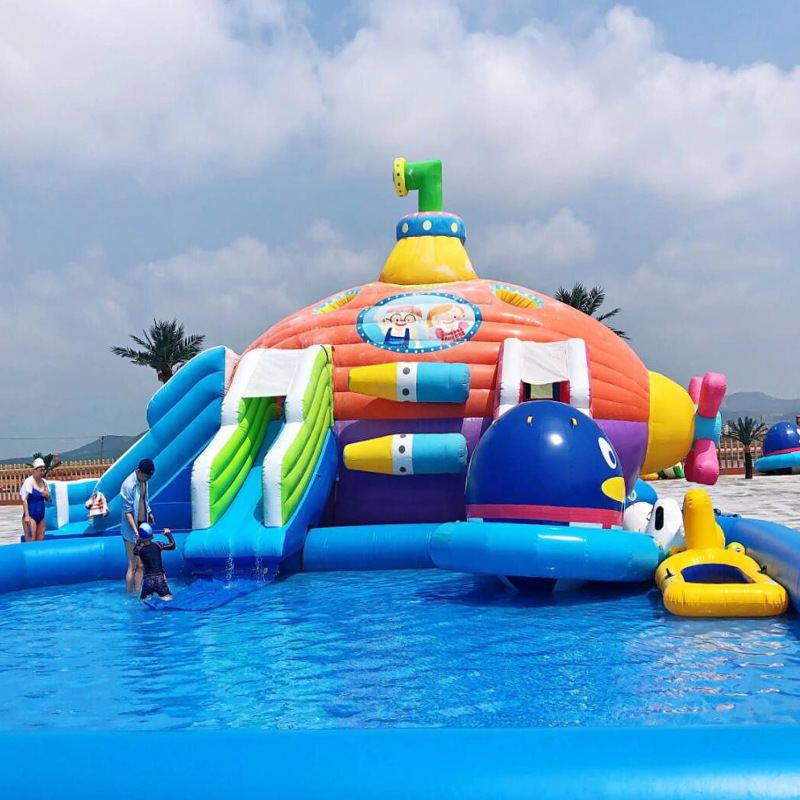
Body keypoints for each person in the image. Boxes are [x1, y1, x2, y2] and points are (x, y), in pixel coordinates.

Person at [120, 458, 156, 594]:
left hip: (142, 526)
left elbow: (144, 500)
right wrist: (135, 531)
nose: (148, 479)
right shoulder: (128, 485)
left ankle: (138, 593)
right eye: (146, 476)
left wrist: (149, 512)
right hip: (131, 530)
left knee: (141, 565)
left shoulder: (144, 481)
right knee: (133, 565)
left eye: (150, 477)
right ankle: (129, 596)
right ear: (139, 472)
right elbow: (127, 512)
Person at [133, 524, 175, 601]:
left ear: (140, 537)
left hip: (148, 580)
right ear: (153, 536)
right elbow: (172, 546)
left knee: (143, 600)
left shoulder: (139, 549)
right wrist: (168, 535)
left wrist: (139, 540)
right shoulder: (158, 545)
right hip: (159, 579)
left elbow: (134, 551)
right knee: (168, 598)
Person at [20, 457, 50, 542]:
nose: (42, 473)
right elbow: (24, 499)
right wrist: (27, 516)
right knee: (31, 540)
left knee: (40, 541)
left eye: (43, 470)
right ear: (34, 471)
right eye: (41, 470)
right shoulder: (29, 481)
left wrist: (47, 496)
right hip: (31, 516)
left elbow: (49, 500)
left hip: (41, 516)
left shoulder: (44, 483)